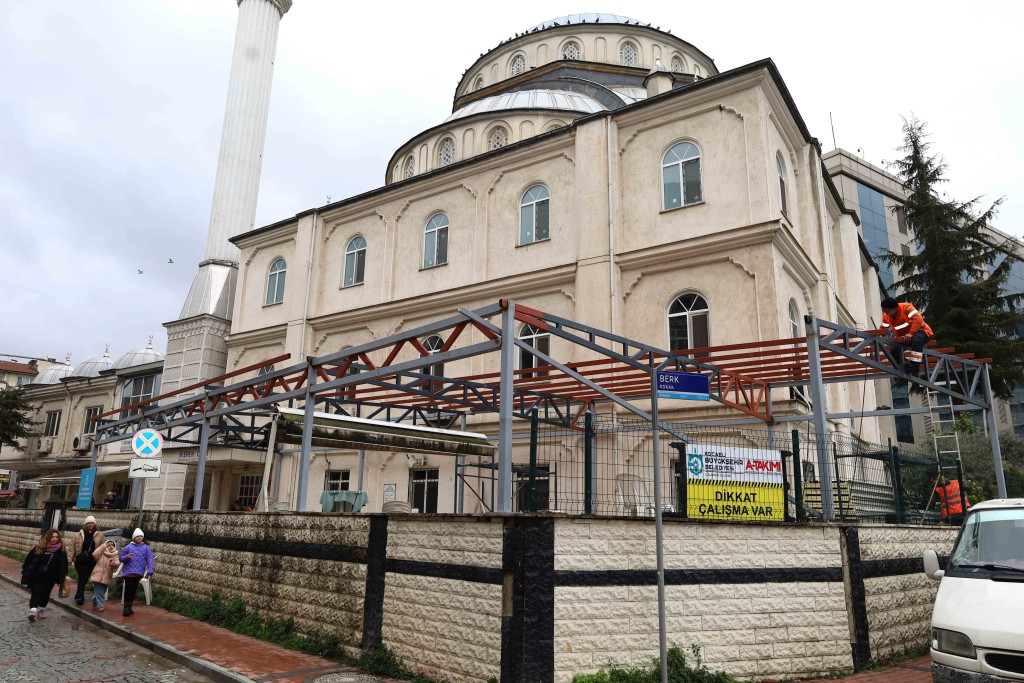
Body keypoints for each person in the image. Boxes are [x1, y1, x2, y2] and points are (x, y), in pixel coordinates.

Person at [20, 529, 69, 622]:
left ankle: (41, 609)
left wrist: (62, 576)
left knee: (45, 593)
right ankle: (33, 611)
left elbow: (64, 564)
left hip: (51, 577)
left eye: (56, 537)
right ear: (48, 537)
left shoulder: (61, 550)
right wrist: (26, 572)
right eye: (52, 537)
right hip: (37, 575)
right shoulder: (39, 548)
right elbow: (29, 561)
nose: (54, 539)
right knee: (36, 592)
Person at [880, 297, 934, 376]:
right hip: (906, 339)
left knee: (917, 339)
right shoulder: (886, 316)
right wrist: (876, 335)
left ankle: (915, 366)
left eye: (885, 310)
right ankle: (906, 366)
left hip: (923, 333)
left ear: (892, 308)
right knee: (893, 351)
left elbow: (918, 319)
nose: (884, 312)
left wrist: (911, 333)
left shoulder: (906, 307)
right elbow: (883, 328)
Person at [68, 515, 106, 605]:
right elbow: (72, 548)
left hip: (93, 561)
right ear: (85, 524)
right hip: (81, 560)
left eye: (92, 523)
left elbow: (103, 546)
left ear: (95, 524)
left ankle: (79, 594)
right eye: (88, 523)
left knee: (89, 578)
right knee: (83, 577)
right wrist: (70, 559)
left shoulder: (99, 535)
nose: (90, 525)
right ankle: (81, 596)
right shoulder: (78, 535)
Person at [118, 528, 154, 617]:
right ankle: (126, 608)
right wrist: (127, 557)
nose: (139, 538)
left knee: (133, 590)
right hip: (129, 573)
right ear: (134, 537)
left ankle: (129, 606)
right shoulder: (128, 547)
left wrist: (150, 569)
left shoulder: (146, 548)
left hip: (138, 573)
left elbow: (149, 559)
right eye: (137, 536)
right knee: (128, 589)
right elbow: (121, 558)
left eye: (141, 536)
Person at [89, 539, 120, 612]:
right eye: (109, 545)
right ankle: (101, 606)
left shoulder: (115, 555)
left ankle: (95, 599)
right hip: (98, 574)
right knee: (99, 591)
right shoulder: (102, 553)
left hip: (107, 576)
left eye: (112, 545)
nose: (111, 546)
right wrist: (103, 547)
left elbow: (117, 563)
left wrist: (113, 564)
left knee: (102, 591)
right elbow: (94, 554)